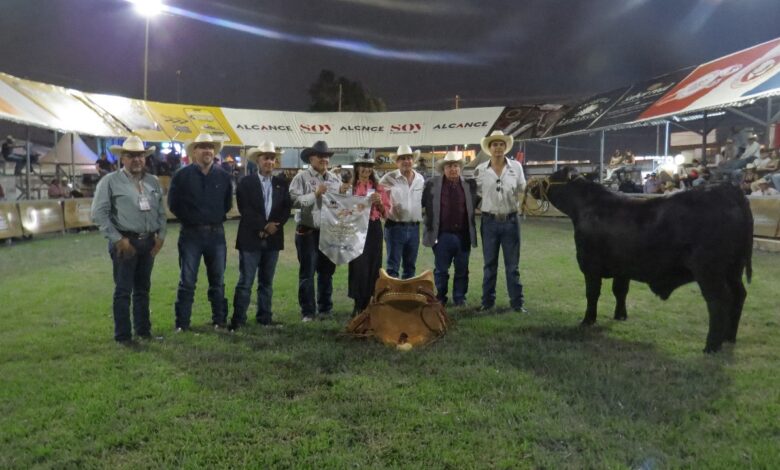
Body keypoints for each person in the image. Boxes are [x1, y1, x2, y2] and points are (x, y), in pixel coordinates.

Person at [90, 136, 166, 343]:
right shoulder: (109, 181)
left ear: (145, 157)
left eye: (140, 155)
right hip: (125, 242)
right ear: (122, 158)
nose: (136, 159)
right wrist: (117, 239)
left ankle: (143, 331)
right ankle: (123, 335)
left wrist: (161, 237)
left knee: (143, 289)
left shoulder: (153, 181)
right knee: (123, 290)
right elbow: (98, 214)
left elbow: (161, 212)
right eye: (131, 155)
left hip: (148, 241)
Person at [168, 133, 233, 331]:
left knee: (218, 281)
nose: (207, 150)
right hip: (191, 234)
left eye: (210, 147)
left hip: (216, 233)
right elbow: (173, 204)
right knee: (187, 281)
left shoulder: (223, 176)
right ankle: (183, 324)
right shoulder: (181, 176)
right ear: (194, 151)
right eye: (203, 146)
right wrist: (192, 219)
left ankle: (219, 320)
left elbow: (227, 204)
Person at [229, 142, 291, 330]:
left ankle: (265, 318)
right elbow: (245, 209)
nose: (269, 162)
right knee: (245, 282)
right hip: (250, 238)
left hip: (273, 239)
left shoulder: (281, 183)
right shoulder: (246, 183)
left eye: (272, 158)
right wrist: (264, 226)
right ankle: (238, 320)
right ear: (258, 160)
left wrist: (274, 227)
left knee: (266, 282)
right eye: (266, 158)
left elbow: (285, 209)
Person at [289, 140, 349, 322]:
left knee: (326, 272)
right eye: (321, 156)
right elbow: (293, 201)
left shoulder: (335, 179)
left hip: (328, 231)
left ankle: (325, 308)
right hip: (307, 231)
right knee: (307, 272)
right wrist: (314, 194)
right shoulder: (301, 178)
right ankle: (308, 311)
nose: (325, 159)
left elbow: (340, 206)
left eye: (327, 156)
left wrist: (344, 194)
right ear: (311, 158)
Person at [474, 130, 527, 313]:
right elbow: (475, 194)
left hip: (511, 221)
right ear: (489, 148)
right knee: (489, 265)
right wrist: (482, 206)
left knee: (512, 266)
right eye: (494, 144)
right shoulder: (480, 170)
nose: (498, 147)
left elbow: (522, 189)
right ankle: (487, 302)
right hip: (489, 221)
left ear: (506, 147)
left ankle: (517, 304)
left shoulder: (516, 167)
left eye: (501, 144)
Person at [422, 151, 478, 306]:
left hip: (463, 235)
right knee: (441, 270)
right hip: (442, 235)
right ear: (443, 169)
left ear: (460, 168)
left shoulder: (470, 185)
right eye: (449, 166)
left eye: (455, 166)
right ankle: (440, 298)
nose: (453, 169)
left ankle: (460, 298)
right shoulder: (432, 184)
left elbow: (477, 203)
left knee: (462, 269)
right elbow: (421, 202)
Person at [348, 153, 391, 315]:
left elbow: (386, 214)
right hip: (356, 229)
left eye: (369, 166)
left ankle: (369, 303)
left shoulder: (379, 188)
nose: (366, 169)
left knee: (373, 264)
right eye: (363, 166)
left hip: (373, 228)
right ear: (357, 168)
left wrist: (379, 204)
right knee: (358, 265)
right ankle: (358, 302)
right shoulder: (350, 187)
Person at [378, 144, 424, 279]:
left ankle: (407, 292)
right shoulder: (388, 178)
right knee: (393, 267)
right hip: (394, 227)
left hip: (414, 228)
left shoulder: (420, 179)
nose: (406, 161)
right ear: (397, 162)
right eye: (402, 158)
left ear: (413, 160)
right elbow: (378, 198)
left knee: (410, 267)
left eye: (409, 158)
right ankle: (393, 292)